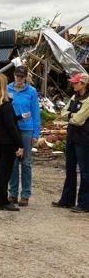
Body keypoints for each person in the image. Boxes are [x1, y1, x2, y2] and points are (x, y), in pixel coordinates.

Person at [0, 73, 24, 211]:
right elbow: (11, 127)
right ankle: (2, 200)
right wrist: (20, 144)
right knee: (5, 171)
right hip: (8, 141)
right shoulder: (6, 105)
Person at [53, 72, 89, 212]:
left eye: (76, 82)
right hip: (72, 138)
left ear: (84, 84)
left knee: (85, 172)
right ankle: (67, 200)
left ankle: (84, 203)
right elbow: (62, 112)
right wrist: (71, 116)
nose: (73, 84)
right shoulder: (75, 97)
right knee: (70, 170)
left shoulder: (88, 100)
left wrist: (70, 116)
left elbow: (78, 120)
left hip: (84, 140)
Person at [7, 65, 41, 206]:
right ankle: (13, 193)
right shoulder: (8, 89)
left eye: (22, 76)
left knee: (26, 163)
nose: (19, 79)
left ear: (26, 77)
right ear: (14, 75)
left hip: (27, 129)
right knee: (13, 162)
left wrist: (36, 133)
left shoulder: (31, 91)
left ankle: (25, 194)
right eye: (17, 76)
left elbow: (35, 112)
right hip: (12, 129)